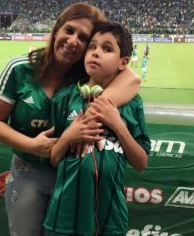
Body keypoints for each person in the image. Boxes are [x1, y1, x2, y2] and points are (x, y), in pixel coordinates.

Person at [0, 2, 141, 236]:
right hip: (29, 171)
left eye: (83, 37)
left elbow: (132, 78)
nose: (73, 40)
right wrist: (32, 146)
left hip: (71, 177)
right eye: (69, 30)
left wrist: (88, 115)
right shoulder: (19, 69)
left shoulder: (86, 75)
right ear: (57, 29)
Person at [44, 21, 150, 236]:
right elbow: (54, 158)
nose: (96, 53)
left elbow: (141, 162)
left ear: (124, 62)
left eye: (107, 48)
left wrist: (119, 126)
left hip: (110, 219)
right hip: (64, 217)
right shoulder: (64, 99)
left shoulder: (132, 104)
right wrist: (68, 136)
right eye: (92, 47)